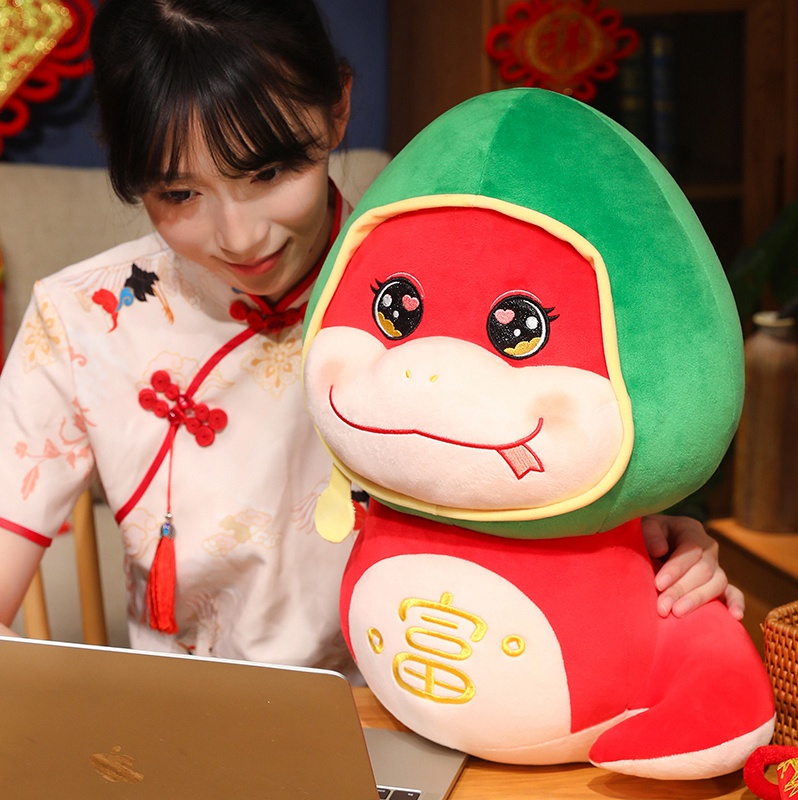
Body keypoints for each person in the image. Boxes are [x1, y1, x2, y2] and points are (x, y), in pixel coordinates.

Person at [0, 0, 742, 672]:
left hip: (434, 701)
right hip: (193, 720)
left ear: (338, 110)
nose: (239, 236)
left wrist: (649, 548)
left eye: (269, 172)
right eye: (179, 193)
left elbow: (561, 481)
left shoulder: (461, 294)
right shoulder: (80, 319)